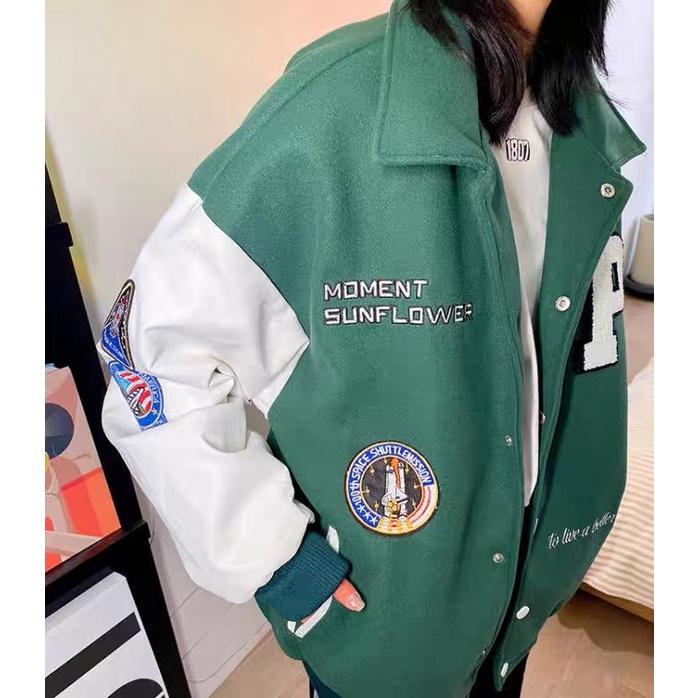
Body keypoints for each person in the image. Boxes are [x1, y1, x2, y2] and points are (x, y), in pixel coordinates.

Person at [97, 1, 645, 696]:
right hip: (381, 632)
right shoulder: (334, 104)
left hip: (518, 610)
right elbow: (148, 357)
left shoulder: (580, 112)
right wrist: (280, 562)